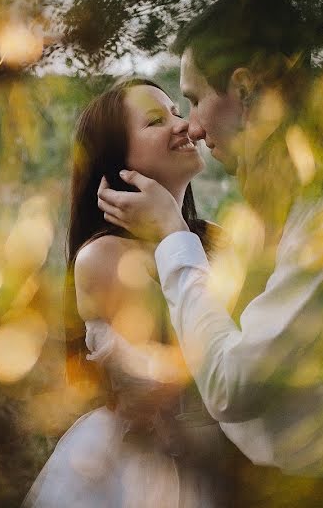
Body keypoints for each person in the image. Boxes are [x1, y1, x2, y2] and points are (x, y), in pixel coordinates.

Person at [96, 0, 323, 483]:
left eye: (190, 101)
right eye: (161, 118)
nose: (189, 126)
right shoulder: (298, 201)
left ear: (245, 89)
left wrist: (173, 235)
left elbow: (231, 385)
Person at [24, 78, 234, 507]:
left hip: (225, 455)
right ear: (118, 163)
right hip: (150, 470)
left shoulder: (210, 238)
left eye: (178, 112)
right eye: (156, 121)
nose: (183, 126)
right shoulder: (104, 257)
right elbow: (188, 366)